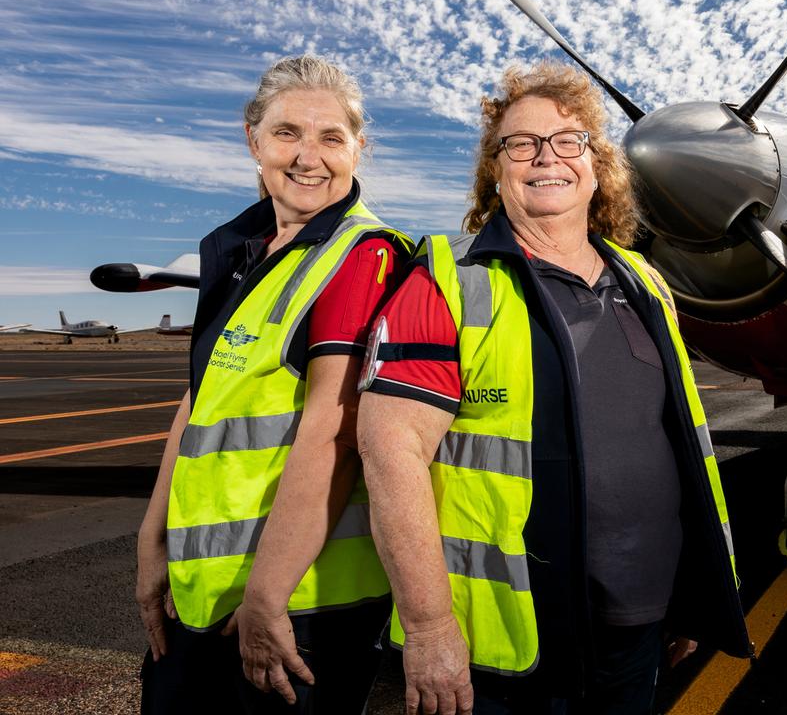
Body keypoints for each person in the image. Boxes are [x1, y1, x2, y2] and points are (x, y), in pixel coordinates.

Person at [356, 61, 751, 715]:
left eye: (568, 141)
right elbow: (389, 453)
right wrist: (428, 629)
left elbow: (675, 448)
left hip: (640, 626)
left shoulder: (647, 285)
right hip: (508, 653)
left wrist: (690, 595)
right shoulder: (447, 281)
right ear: (495, 170)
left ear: (597, 167)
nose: (546, 157)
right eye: (521, 143)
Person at [134, 54, 414, 713]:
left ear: (359, 150)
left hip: (299, 608)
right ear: (252, 140)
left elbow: (334, 435)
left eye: (331, 137)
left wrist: (266, 596)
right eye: (287, 133)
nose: (307, 156)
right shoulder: (244, 255)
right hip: (202, 593)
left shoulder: (361, 256)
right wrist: (152, 540)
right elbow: (202, 400)